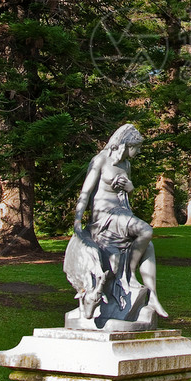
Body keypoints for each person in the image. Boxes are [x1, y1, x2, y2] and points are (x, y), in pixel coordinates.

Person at [73, 123, 167, 317]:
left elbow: (126, 194)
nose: (139, 151)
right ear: (126, 144)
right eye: (137, 147)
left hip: (122, 214)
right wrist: (77, 220)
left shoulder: (126, 165)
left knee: (148, 247)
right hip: (104, 217)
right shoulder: (100, 160)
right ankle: (130, 274)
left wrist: (130, 187)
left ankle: (153, 297)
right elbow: (86, 191)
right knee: (146, 231)